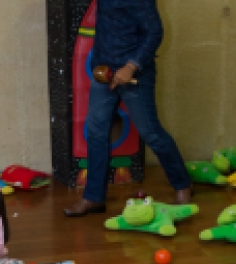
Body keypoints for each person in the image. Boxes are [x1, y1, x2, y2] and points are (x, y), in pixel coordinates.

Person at [64, 0, 191, 217]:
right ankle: (93, 198)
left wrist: (131, 67)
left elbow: (154, 32)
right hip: (104, 73)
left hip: (134, 75)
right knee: (96, 133)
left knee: (151, 133)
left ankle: (182, 186)